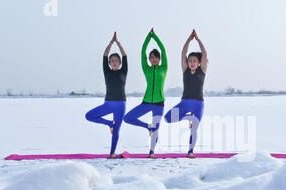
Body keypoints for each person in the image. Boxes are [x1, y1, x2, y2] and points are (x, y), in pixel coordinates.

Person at [123, 28, 168, 159]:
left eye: (156, 57)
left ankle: (152, 152)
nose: (153, 59)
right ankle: (148, 127)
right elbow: (143, 51)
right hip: (146, 102)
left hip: (159, 103)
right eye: (151, 58)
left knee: (157, 129)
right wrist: (149, 36)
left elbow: (163, 49)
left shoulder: (163, 68)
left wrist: (155, 37)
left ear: (159, 59)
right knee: (127, 118)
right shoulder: (146, 69)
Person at [164, 29, 208, 158]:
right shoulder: (185, 70)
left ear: (199, 62)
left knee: (194, 129)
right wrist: (189, 40)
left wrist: (198, 40)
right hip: (185, 103)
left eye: (195, 61)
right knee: (168, 118)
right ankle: (189, 117)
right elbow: (183, 52)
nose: (192, 63)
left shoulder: (202, 70)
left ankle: (190, 151)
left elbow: (204, 54)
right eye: (190, 61)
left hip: (198, 104)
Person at [85, 32, 127, 158]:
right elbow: (104, 56)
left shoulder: (123, 71)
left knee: (117, 131)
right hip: (108, 104)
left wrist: (118, 43)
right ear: (109, 63)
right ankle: (109, 124)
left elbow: (125, 55)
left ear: (119, 63)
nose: (114, 62)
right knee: (89, 116)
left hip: (121, 105)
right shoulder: (107, 72)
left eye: (116, 61)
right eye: (112, 61)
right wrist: (110, 43)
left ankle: (112, 153)